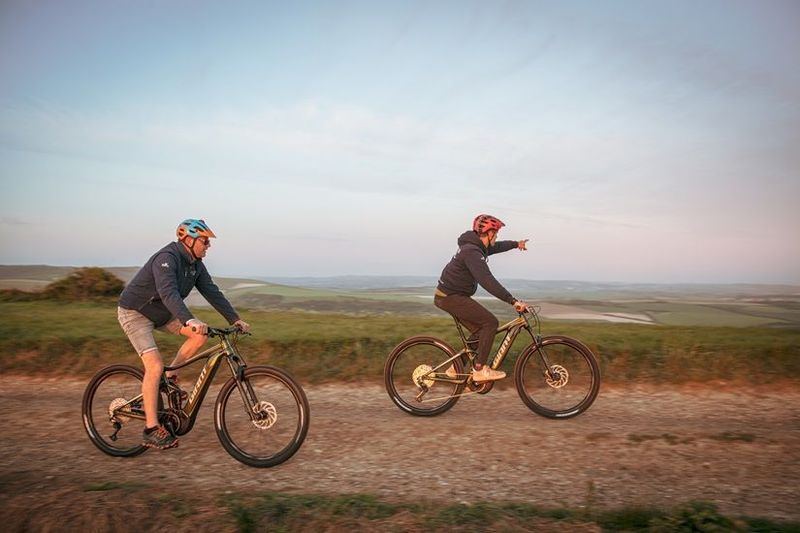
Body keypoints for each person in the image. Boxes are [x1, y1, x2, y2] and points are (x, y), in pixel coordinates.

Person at [117, 219, 250, 450]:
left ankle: (170, 379)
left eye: (208, 242)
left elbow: (212, 291)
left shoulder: (196, 264)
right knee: (154, 365)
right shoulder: (166, 259)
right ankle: (150, 429)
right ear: (188, 240)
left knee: (200, 336)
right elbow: (169, 293)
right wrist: (189, 319)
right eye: (205, 241)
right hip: (135, 312)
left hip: (162, 313)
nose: (208, 246)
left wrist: (234, 319)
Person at [434, 214, 530, 382]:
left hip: (452, 296)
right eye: (496, 232)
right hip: (450, 297)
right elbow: (487, 280)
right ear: (489, 233)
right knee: (490, 323)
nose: (497, 236)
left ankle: (455, 367)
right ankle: (479, 370)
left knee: (481, 332)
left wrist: (516, 244)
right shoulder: (471, 252)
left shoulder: (477, 247)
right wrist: (512, 301)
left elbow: (497, 247)